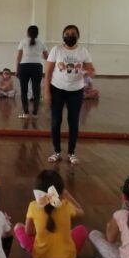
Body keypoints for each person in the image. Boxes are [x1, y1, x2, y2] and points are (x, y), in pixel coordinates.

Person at [13, 169, 87, 258]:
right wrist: (67, 195)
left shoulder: (33, 206)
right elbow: (81, 211)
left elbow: (29, 232)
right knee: (82, 230)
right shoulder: (66, 205)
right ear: (61, 192)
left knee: (18, 226)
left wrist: (41, 229)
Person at [44, 25, 95, 165]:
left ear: (78, 36)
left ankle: (71, 153)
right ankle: (56, 151)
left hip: (76, 91)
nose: (69, 35)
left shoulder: (83, 51)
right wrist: (47, 92)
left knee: (73, 123)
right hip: (57, 89)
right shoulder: (56, 50)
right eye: (67, 33)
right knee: (55, 122)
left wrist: (89, 72)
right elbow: (48, 73)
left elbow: (91, 69)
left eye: (73, 33)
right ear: (63, 36)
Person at [16, 25, 49, 118]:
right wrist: (39, 56)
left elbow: (18, 57)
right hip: (37, 67)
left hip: (24, 66)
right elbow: (47, 57)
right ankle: (35, 113)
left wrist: (17, 69)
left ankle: (25, 113)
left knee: (24, 90)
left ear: (28, 33)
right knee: (36, 90)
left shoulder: (23, 41)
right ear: (37, 33)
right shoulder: (42, 42)